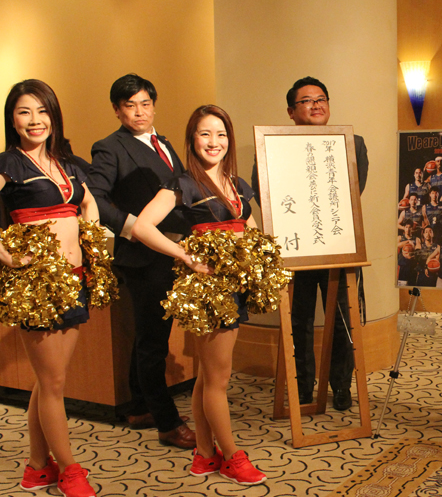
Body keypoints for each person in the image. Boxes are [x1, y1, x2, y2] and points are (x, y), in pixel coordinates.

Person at [132, 105, 267, 485]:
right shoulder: (183, 183)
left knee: (208, 376)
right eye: (205, 134)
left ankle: (205, 455)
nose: (214, 141)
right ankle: (232, 455)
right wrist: (185, 255)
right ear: (192, 140)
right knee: (218, 381)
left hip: (234, 286)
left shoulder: (237, 185)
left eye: (221, 134)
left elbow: (251, 229)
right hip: (209, 290)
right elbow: (142, 226)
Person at [2, 80, 100, 496]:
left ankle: (37, 466)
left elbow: (88, 202)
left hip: (74, 280)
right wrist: (9, 257)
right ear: (12, 119)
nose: (35, 120)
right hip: (36, 285)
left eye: (42, 111)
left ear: (54, 116)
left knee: (49, 381)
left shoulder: (68, 163)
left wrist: (90, 237)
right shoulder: (8, 163)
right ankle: (70, 469)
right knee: (54, 383)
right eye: (24, 112)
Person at [88, 74, 195, 448]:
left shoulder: (164, 143)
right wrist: (131, 226)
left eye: (145, 104)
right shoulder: (109, 148)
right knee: (153, 343)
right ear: (117, 110)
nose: (139, 112)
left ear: (153, 106)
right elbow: (94, 198)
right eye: (130, 105)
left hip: (172, 250)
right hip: (142, 256)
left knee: (150, 336)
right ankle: (167, 423)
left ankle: (139, 406)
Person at [251, 76, 368, 410]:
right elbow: (263, 193)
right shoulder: (272, 145)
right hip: (295, 248)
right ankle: (302, 386)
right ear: (291, 111)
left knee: (344, 318)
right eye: (306, 101)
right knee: (297, 321)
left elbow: (352, 193)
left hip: (338, 245)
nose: (316, 105)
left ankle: (341, 385)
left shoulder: (353, 143)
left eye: (321, 99)